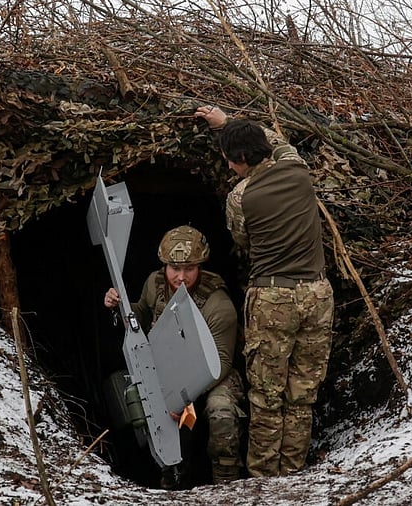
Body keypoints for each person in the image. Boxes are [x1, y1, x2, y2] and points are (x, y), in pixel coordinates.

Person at [193, 105, 334, 478]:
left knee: (267, 397)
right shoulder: (298, 169)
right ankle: (292, 472)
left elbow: (242, 241)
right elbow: (279, 141)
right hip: (318, 295)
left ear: (241, 158)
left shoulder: (240, 198)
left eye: (229, 160)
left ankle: (263, 480)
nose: (228, 167)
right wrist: (229, 124)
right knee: (303, 394)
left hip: (273, 298)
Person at [104, 225, 244, 488]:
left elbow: (222, 364)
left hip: (213, 375)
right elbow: (141, 314)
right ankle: (173, 478)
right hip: (170, 367)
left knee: (221, 410)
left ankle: (227, 484)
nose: (181, 277)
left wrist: (180, 397)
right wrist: (119, 305)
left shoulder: (218, 304)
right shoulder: (155, 284)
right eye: (174, 269)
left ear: (200, 267)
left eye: (189, 269)